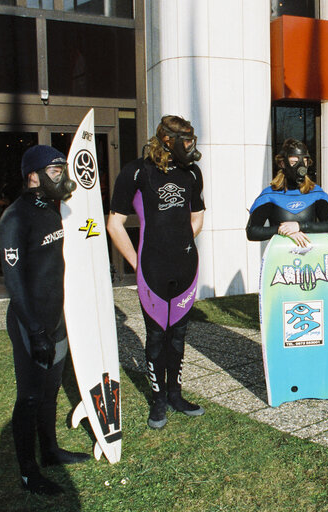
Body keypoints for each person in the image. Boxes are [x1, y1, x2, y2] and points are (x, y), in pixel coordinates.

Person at [0, 145, 89, 495]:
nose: (62, 176)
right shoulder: (16, 217)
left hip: (56, 319)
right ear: (32, 176)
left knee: (50, 392)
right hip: (29, 322)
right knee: (30, 397)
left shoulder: (53, 210)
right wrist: (35, 330)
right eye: (54, 170)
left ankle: (49, 451)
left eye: (62, 169)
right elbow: (14, 281)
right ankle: (28, 471)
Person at [107, 115, 206, 429]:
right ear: (167, 140)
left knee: (178, 336)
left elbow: (197, 217)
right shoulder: (136, 172)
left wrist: (182, 246)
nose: (191, 147)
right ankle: (159, 401)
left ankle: (175, 394)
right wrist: (139, 264)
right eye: (186, 141)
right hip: (151, 270)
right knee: (156, 336)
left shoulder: (192, 172)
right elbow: (114, 224)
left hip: (185, 267)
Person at [246, 138, 328, 244]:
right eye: (294, 162)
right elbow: (252, 231)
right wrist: (283, 230)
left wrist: (299, 226)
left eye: (304, 162)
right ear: (282, 164)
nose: (300, 167)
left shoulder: (316, 193)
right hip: (280, 256)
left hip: (311, 256)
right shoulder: (270, 195)